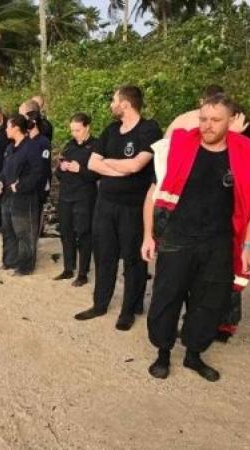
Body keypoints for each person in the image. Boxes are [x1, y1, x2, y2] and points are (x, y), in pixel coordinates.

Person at [141, 94, 250, 382]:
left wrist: (248, 246)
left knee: (207, 303)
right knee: (166, 298)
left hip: (218, 243)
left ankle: (193, 354)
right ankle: (163, 353)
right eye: (203, 119)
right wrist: (147, 236)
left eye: (216, 120)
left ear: (231, 122)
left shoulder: (241, 157)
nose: (207, 125)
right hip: (178, 238)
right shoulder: (177, 149)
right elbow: (152, 195)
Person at [74, 86, 162, 331]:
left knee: (133, 261)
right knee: (104, 255)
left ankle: (129, 309)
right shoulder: (111, 130)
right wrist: (120, 168)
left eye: (113, 100)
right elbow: (92, 163)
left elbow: (136, 165)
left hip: (133, 207)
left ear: (125, 104)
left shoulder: (149, 129)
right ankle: (100, 304)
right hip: (105, 203)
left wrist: (111, 164)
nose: (111, 105)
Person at [54, 113, 99, 287]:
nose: (75, 133)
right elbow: (58, 173)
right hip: (66, 195)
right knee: (66, 232)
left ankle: (83, 272)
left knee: (84, 233)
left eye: (78, 130)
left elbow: (97, 174)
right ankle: (68, 267)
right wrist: (62, 167)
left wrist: (80, 169)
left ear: (87, 127)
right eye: (72, 130)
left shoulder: (96, 146)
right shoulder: (69, 146)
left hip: (84, 196)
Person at [0, 114, 44, 275]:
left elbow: (38, 173)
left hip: (25, 197)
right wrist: (0, 182)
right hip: (8, 195)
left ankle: (25, 266)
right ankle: (9, 261)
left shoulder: (31, 147)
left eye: (8, 127)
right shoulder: (10, 148)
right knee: (7, 229)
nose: (6, 130)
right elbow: (4, 170)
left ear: (16, 128)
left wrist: (21, 185)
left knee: (24, 232)